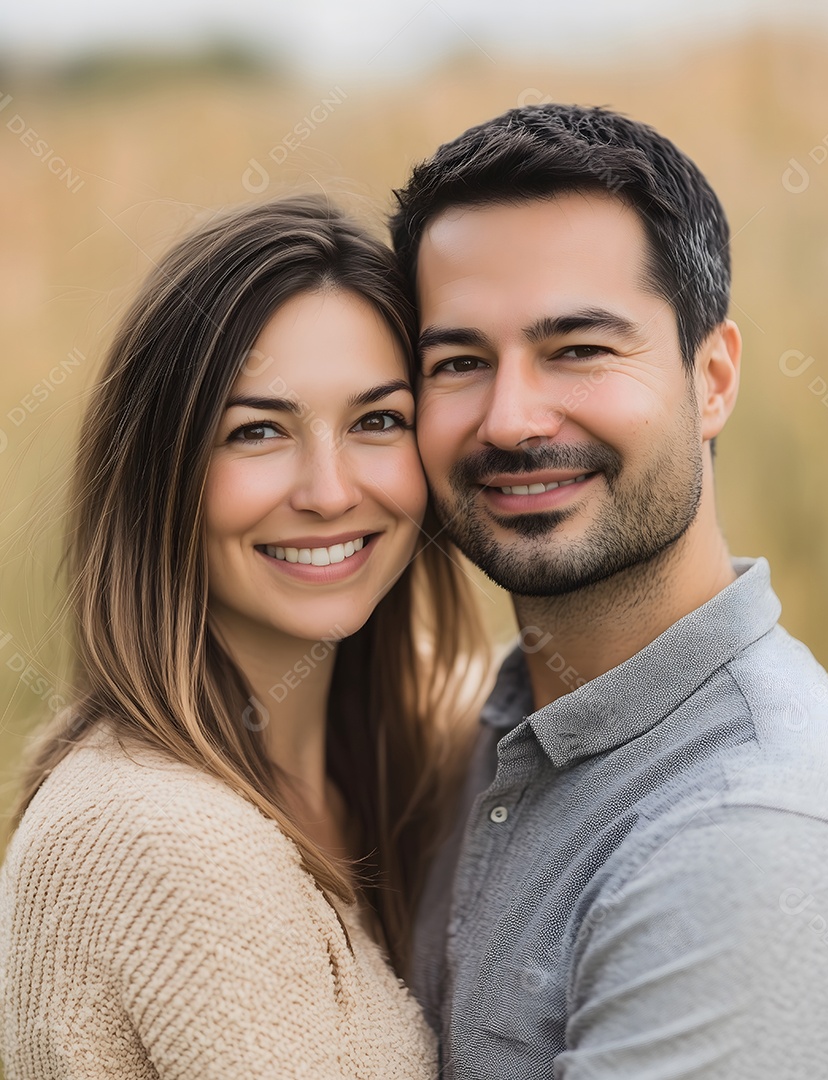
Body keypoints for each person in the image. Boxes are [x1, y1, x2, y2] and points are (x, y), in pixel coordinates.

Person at [390, 104, 828, 1078]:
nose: (512, 419)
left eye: (580, 348)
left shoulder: (752, 836)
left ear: (713, 376)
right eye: (460, 363)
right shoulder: (482, 725)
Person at [0, 195, 483, 1079]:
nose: (330, 491)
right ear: (161, 473)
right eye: (258, 431)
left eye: (378, 420)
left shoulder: (410, 758)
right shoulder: (159, 839)